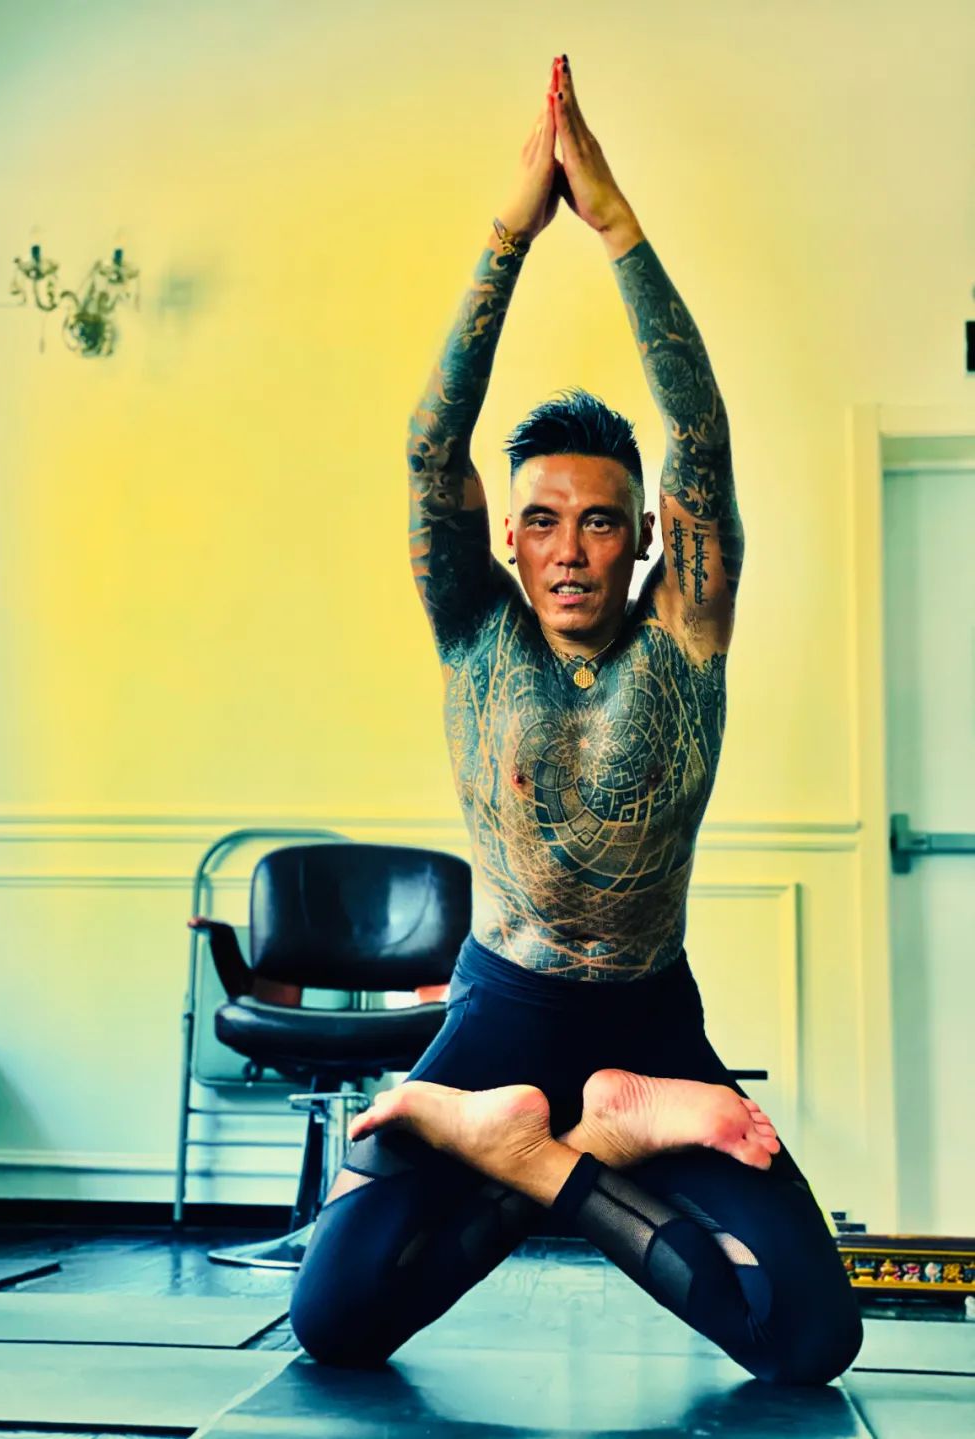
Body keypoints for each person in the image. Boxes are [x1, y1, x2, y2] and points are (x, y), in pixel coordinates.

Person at [289, 55, 863, 1386]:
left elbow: (702, 435)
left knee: (811, 1337)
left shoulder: (686, 633)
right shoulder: (475, 631)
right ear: (508, 536)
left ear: (644, 534)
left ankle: (575, 1135)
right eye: (541, 521)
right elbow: (429, 449)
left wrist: (611, 224)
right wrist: (508, 234)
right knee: (335, 1318)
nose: (568, 548)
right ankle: (568, 1142)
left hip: (651, 1029)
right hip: (500, 1016)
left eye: (601, 521)